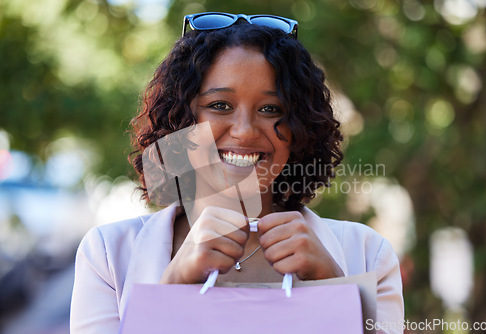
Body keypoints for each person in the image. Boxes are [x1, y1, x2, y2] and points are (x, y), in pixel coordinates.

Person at [70, 12, 404, 333]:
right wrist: (173, 284)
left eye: (271, 109)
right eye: (220, 106)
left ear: (300, 129)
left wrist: (333, 286)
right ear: (182, 122)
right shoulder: (107, 255)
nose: (244, 131)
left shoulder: (367, 254)